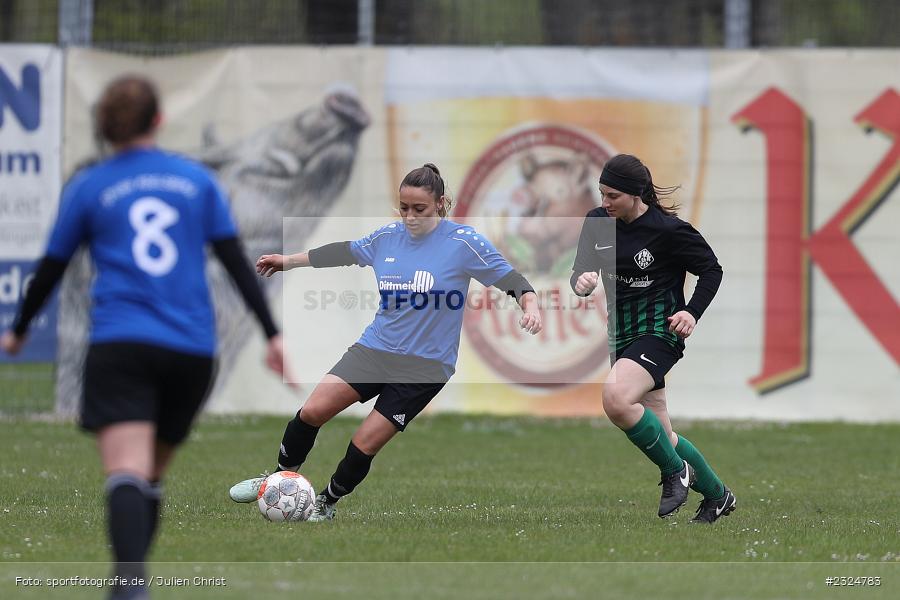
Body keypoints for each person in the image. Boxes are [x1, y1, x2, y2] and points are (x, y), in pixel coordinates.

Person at [1, 75, 291, 599]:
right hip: (192, 351)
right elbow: (234, 260)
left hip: (122, 344)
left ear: (105, 128)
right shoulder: (196, 181)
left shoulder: (90, 185)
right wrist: (273, 335)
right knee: (151, 473)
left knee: (127, 471)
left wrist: (18, 332)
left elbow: (51, 267)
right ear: (158, 121)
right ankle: (128, 584)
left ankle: (130, 585)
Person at [228, 163, 543, 521]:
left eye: (419, 209)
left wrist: (530, 306)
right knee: (313, 411)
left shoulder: (464, 243)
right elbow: (343, 252)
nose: (409, 217)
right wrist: (290, 261)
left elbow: (512, 279)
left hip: (425, 367)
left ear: (441, 204)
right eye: (403, 207)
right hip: (374, 349)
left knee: (365, 441)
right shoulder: (387, 238)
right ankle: (276, 478)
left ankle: (326, 503)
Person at [570, 154, 735, 523]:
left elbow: (711, 269)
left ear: (635, 194)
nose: (605, 202)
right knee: (664, 435)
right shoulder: (597, 223)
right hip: (621, 335)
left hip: (659, 332)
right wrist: (581, 283)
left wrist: (691, 311)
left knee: (616, 399)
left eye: (612, 195)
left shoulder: (668, 230)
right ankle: (718, 496)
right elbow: (581, 272)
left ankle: (675, 473)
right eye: (602, 193)